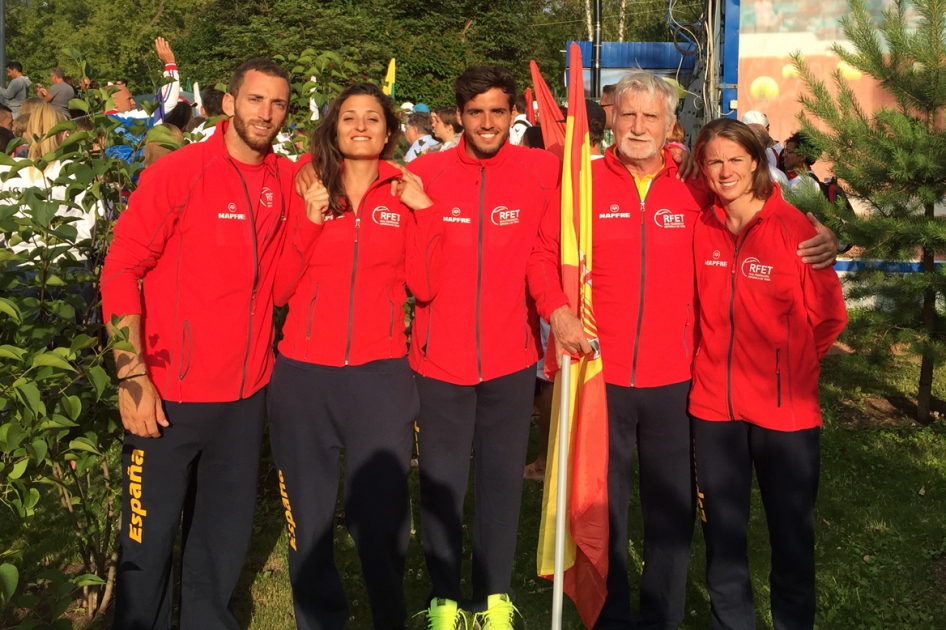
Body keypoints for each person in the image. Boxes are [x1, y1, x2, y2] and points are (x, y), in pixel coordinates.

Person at [530, 70, 839, 630]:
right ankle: (611, 616)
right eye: (628, 115)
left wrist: (820, 241)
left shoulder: (697, 189)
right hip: (600, 373)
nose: (638, 127)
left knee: (671, 513)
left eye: (651, 116)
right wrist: (557, 312)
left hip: (678, 382)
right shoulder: (582, 186)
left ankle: (661, 618)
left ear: (671, 124)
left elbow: (762, 222)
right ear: (612, 118)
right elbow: (542, 255)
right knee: (602, 507)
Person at [100, 58, 322, 630]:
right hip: (166, 397)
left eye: (277, 104)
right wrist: (131, 375)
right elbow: (122, 268)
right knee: (147, 553)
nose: (266, 114)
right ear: (228, 103)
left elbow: (278, 289)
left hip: (245, 395)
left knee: (220, 547)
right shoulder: (180, 172)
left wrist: (313, 221)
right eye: (255, 100)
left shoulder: (283, 179)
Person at [268, 82, 443, 630]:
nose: (361, 126)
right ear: (334, 128)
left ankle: (388, 616)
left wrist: (426, 213)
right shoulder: (310, 188)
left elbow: (428, 285)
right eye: (350, 118)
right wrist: (309, 221)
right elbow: (277, 290)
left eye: (373, 118)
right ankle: (319, 619)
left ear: (390, 132)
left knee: (381, 513)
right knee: (310, 516)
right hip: (303, 377)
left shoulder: (406, 192)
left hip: (381, 377)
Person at [408, 65, 562, 628]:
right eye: (476, 112)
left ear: (514, 114)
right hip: (439, 357)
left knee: (501, 482)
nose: (487, 123)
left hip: (511, 357)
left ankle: (495, 596)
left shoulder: (543, 170)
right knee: (443, 484)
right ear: (458, 116)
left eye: (498, 111)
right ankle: (444, 597)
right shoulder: (424, 172)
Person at [689, 117, 847, 630]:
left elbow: (828, 318)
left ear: (757, 162)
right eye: (714, 160)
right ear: (703, 166)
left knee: (791, 536)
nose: (725, 170)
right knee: (723, 535)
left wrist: (790, 367)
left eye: (736, 159)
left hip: (786, 414)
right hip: (714, 408)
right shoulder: (701, 227)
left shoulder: (796, 231)